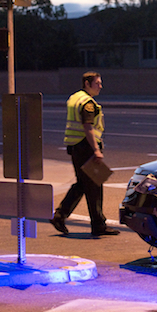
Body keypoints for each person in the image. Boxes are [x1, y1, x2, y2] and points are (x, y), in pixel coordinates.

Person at [50, 71, 120, 237]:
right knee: (95, 185)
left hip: (75, 147)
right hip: (86, 147)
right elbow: (87, 126)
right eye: (97, 83)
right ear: (87, 84)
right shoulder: (87, 103)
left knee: (83, 184)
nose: (100, 86)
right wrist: (96, 150)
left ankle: (60, 215)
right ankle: (98, 225)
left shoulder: (75, 97)